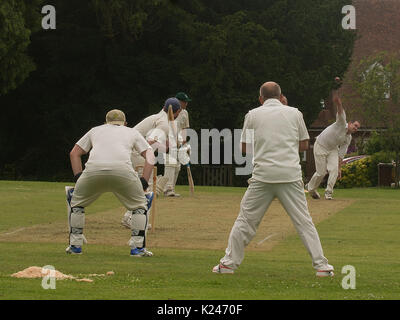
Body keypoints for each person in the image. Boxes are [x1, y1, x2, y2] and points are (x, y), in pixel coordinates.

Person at [213, 81, 334, 277]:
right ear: (281, 96)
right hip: (290, 175)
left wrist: (264, 148)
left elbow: (244, 148)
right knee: (304, 222)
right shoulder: (295, 113)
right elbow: (304, 145)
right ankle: (322, 266)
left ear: (261, 99)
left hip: (263, 176)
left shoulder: (252, 114)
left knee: (245, 221)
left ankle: (228, 265)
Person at [66, 109, 155, 257]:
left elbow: (74, 153)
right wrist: (144, 181)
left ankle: (75, 246)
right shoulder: (131, 132)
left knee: (76, 202)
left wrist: (78, 178)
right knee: (141, 204)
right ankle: (138, 248)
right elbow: (150, 156)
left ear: (105, 122)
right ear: (125, 123)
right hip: (123, 171)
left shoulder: (95, 130)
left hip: (94, 170)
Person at [305, 90, 360, 200]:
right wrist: (338, 103)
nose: (355, 128)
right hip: (320, 144)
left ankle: (328, 193)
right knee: (321, 172)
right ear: (349, 123)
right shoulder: (341, 123)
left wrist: (339, 168)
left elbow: (341, 154)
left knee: (334, 170)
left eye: (357, 128)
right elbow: (340, 111)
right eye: (355, 125)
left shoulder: (348, 138)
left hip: (332, 149)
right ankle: (311, 188)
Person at [163, 92, 191, 197]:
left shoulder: (185, 113)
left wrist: (183, 142)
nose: (186, 104)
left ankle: (171, 189)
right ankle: (167, 189)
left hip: (179, 142)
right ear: (178, 101)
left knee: (177, 166)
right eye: (184, 102)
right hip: (169, 141)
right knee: (170, 164)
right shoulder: (168, 111)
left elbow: (184, 128)